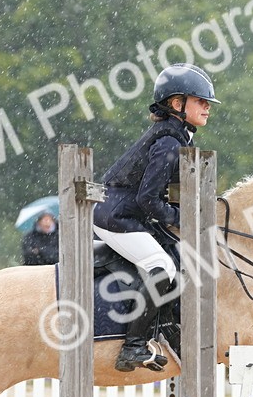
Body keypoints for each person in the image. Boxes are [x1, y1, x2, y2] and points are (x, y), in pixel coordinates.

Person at [93, 62, 218, 372]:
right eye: (200, 101)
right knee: (160, 265)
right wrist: (182, 218)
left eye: (207, 103)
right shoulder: (168, 143)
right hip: (116, 216)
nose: (207, 108)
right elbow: (148, 199)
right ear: (177, 104)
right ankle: (133, 347)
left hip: (128, 211)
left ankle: (165, 328)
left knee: (178, 255)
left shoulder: (178, 137)